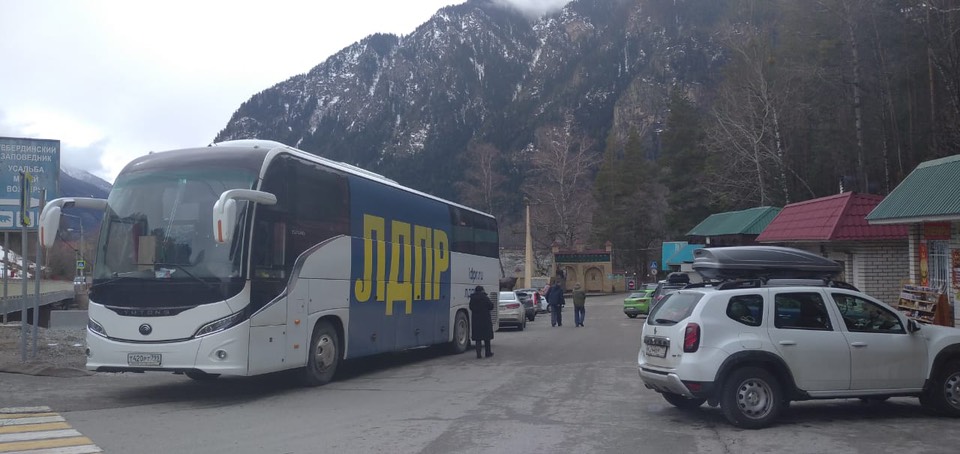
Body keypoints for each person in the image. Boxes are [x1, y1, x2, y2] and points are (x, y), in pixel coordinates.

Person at [469, 285, 494, 358]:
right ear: (482, 290)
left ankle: (478, 354)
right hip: (485, 320)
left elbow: (471, 307)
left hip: (476, 321)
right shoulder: (485, 297)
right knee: (487, 338)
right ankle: (488, 353)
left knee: (478, 338)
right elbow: (491, 306)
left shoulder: (472, 298)